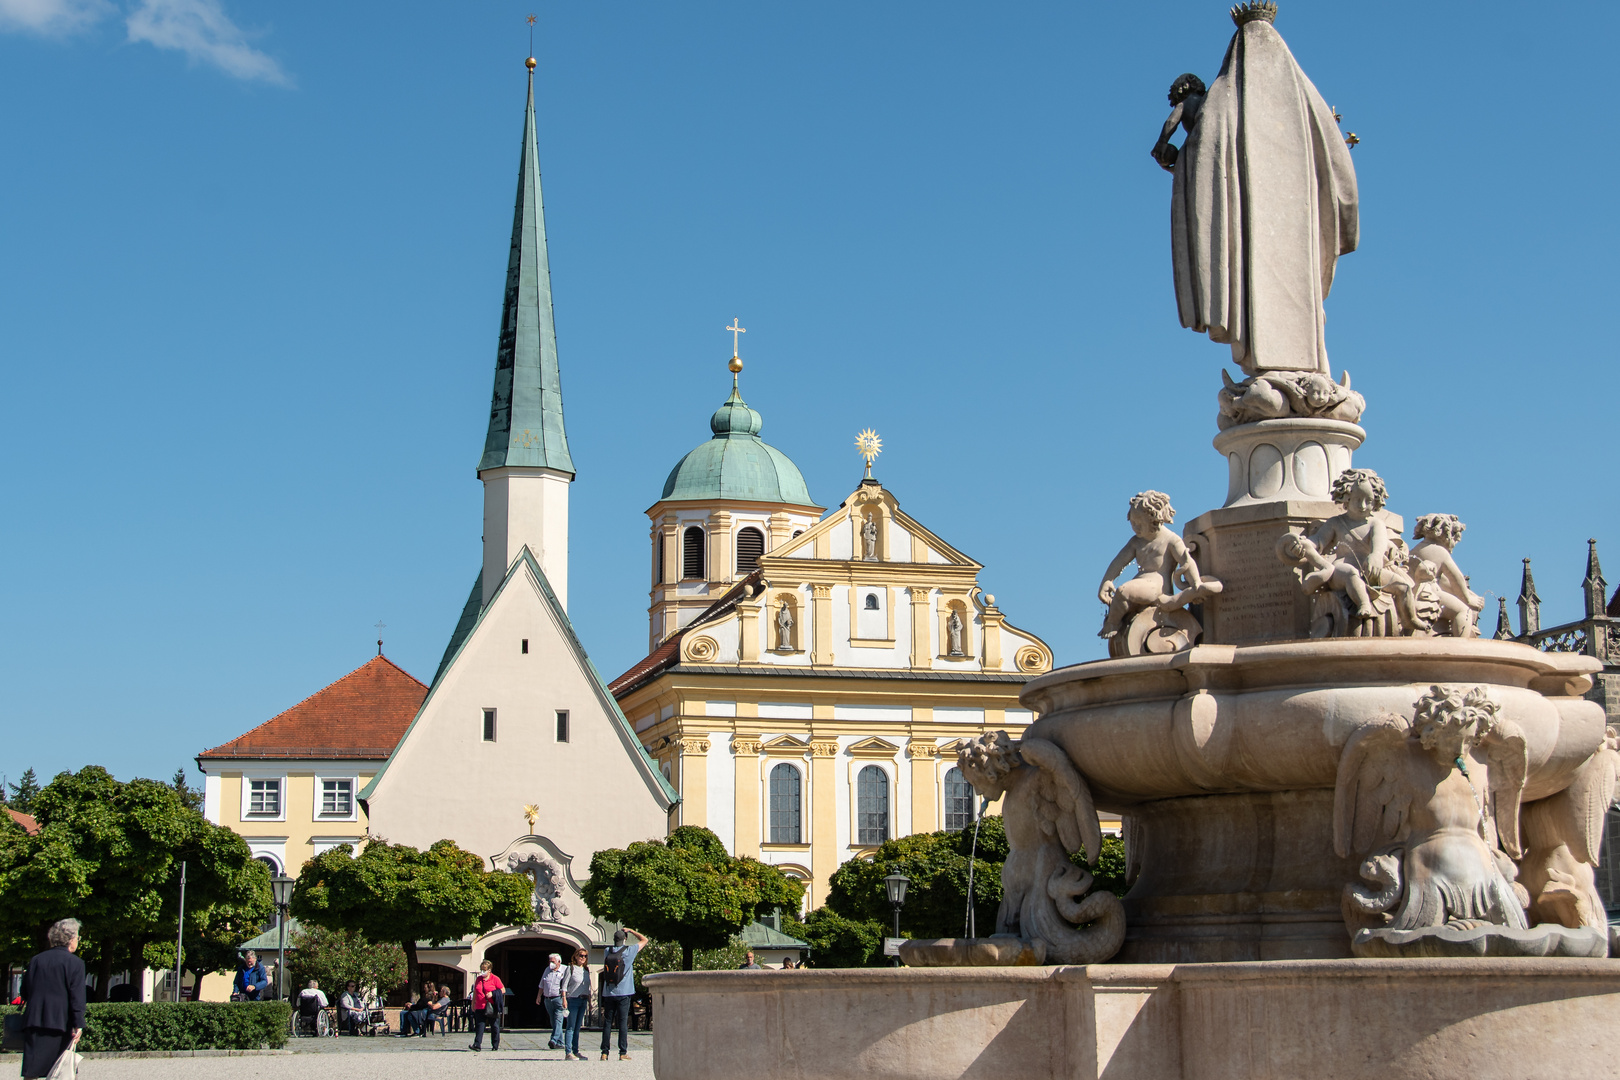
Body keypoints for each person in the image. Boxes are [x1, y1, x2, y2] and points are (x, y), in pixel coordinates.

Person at [19, 918, 86, 1080]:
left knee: (32, 1072)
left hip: (35, 1021)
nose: (78, 941)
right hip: (61, 1024)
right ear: (70, 939)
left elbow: (25, 992)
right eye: (77, 937)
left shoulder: (36, 960)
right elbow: (76, 998)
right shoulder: (75, 963)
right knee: (62, 1070)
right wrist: (79, 1024)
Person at [598, 927, 646, 1061]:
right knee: (622, 1022)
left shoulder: (607, 951)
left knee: (607, 1022)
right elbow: (644, 940)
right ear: (624, 939)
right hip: (624, 992)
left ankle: (604, 1052)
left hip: (608, 992)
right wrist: (631, 931)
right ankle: (623, 1052)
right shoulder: (629, 951)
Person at [560, 948, 591, 1062]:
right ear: (576, 956)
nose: (583, 958)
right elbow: (564, 985)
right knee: (571, 1027)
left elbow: (588, 987)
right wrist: (564, 998)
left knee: (578, 1027)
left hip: (583, 1000)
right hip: (573, 999)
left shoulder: (586, 970)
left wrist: (590, 1001)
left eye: (585, 956)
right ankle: (568, 1052)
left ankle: (575, 1050)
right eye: (581, 955)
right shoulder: (571, 968)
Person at [469, 960, 504, 1052]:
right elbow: (476, 992)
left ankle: (495, 1044)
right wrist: (473, 1004)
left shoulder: (495, 978)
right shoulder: (478, 979)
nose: (482, 972)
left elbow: (502, 989)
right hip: (480, 1005)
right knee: (480, 1025)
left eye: (484, 970)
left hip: (491, 1006)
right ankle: (477, 1044)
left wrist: (493, 993)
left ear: (489, 970)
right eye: (481, 970)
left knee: (494, 1026)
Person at [537, 952, 566, 1051]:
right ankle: (560, 1042)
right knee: (553, 1021)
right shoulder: (547, 970)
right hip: (548, 999)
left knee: (558, 1020)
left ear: (559, 962)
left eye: (553, 961)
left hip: (559, 998)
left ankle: (553, 1040)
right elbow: (542, 984)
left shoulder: (565, 970)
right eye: (550, 961)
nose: (551, 963)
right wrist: (539, 996)